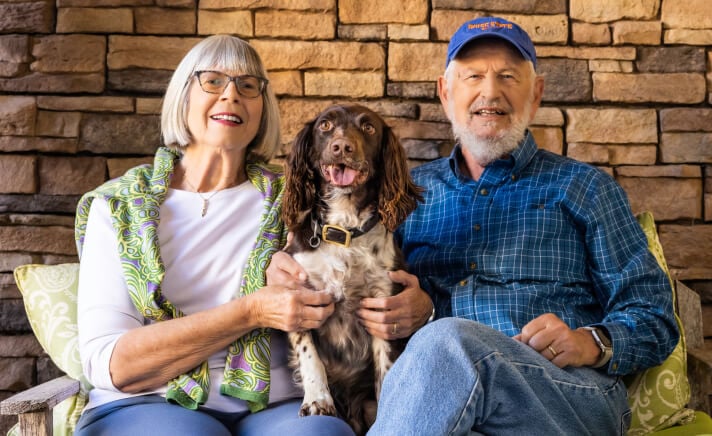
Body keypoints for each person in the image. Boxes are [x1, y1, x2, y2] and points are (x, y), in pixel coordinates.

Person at [267, 17, 679, 435]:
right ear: (446, 94)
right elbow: (348, 262)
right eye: (473, 77)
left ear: (535, 94)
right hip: (439, 401)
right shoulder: (405, 197)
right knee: (439, 344)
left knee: (446, 341)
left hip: (562, 392)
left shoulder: (586, 189)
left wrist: (591, 342)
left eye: (507, 77)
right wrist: (284, 267)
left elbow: (655, 317)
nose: (490, 92)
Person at [73, 35, 354, 436]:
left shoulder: (298, 200)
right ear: (183, 95)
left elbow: (354, 268)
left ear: (263, 108)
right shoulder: (118, 208)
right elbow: (113, 365)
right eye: (212, 81)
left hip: (278, 405)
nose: (231, 95)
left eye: (247, 85)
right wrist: (252, 310)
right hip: (149, 401)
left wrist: (411, 306)